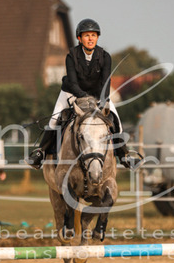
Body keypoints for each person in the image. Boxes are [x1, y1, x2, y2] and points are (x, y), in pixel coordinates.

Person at [25, 18, 141, 170]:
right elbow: (73, 83)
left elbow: (106, 81)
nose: (90, 39)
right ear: (79, 38)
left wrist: (103, 100)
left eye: (93, 35)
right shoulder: (71, 56)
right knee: (54, 120)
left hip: (97, 94)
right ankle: (40, 153)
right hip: (71, 92)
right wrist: (84, 97)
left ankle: (124, 156)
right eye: (87, 35)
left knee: (115, 120)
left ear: (97, 37)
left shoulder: (105, 56)